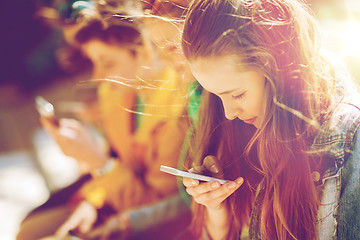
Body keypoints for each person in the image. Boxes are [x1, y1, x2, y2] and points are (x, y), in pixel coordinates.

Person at [180, 0, 360, 239]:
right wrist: (217, 211)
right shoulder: (233, 127)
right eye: (215, 96)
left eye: (238, 94)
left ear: (280, 67)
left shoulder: (348, 144)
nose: (228, 113)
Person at [17, 1, 192, 239]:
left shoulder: (177, 117)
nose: (99, 77)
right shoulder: (115, 93)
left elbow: (156, 208)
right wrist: (90, 203)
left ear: (142, 52)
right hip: (113, 197)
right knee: (30, 229)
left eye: (107, 63)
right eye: (95, 64)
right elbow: (117, 158)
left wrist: (97, 162)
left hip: (142, 221)